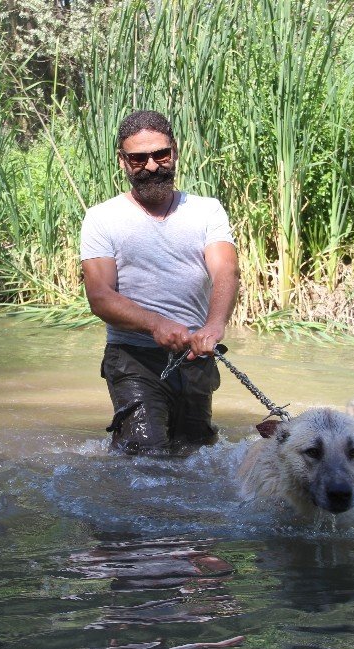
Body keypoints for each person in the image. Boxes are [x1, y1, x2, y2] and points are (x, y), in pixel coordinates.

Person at [80, 110, 240, 455]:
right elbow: (100, 296)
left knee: (197, 456)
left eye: (160, 155)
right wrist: (155, 324)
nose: (152, 166)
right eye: (139, 158)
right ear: (123, 161)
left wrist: (214, 326)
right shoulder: (101, 218)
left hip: (196, 358)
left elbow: (226, 270)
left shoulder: (208, 210)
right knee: (145, 459)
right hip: (132, 358)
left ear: (175, 152)